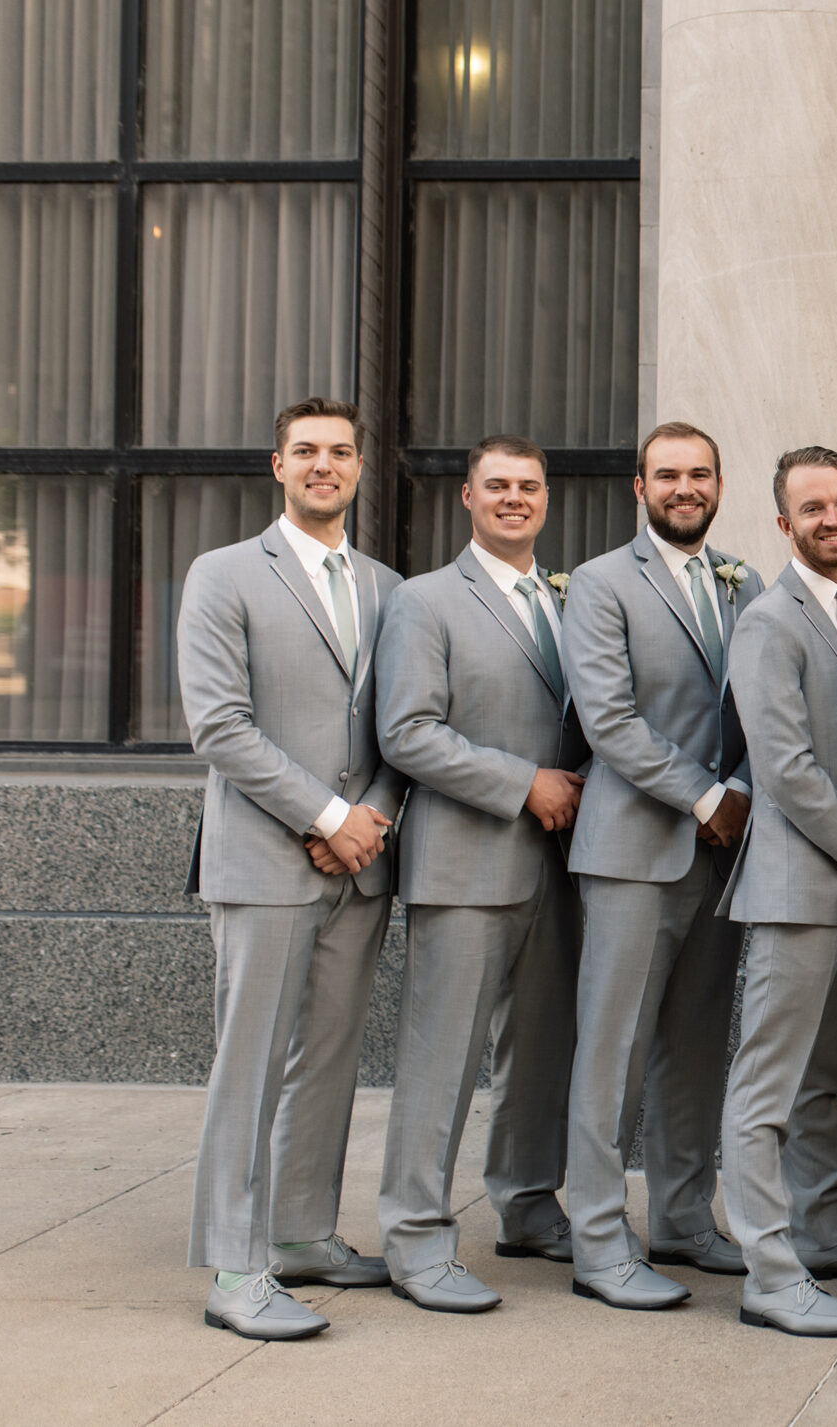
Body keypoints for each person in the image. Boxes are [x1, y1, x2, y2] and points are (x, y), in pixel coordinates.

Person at [178, 398, 403, 1339]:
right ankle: (236, 1264)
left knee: (330, 1060)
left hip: (360, 864)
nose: (324, 465)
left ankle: (303, 1231)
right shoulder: (224, 574)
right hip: (266, 860)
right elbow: (219, 724)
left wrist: (372, 817)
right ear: (278, 465)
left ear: (359, 469)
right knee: (252, 1062)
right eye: (306, 451)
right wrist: (326, 815)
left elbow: (403, 723)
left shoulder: (390, 586)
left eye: (340, 452)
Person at [372, 434, 586, 1313]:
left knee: (542, 1049)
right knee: (444, 1056)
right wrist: (521, 783)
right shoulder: (426, 602)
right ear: (466, 497)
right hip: (465, 861)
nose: (513, 499)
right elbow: (408, 732)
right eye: (496, 486)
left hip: (564, 865)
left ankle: (529, 1203)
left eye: (527, 486)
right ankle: (416, 1237)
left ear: (545, 498)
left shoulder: (570, 599)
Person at [557, 423, 766, 1309]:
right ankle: (599, 1239)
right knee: (613, 1051)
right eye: (669, 474)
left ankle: (682, 1217)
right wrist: (704, 796)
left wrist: (748, 791)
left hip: (725, 855)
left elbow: (769, 708)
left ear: (720, 484)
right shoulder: (603, 584)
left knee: (693, 1047)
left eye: (701, 473)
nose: (686, 487)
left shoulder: (747, 582)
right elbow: (609, 721)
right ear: (639, 486)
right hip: (636, 850)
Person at [717, 447, 837, 1339]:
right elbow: (785, 769)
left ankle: (827, 1229)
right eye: (812, 507)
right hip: (799, 890)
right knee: (766, 1087)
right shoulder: (769, 620)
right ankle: (768, 1267)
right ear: (784, 524)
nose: (832, 518)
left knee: (822, 1080)